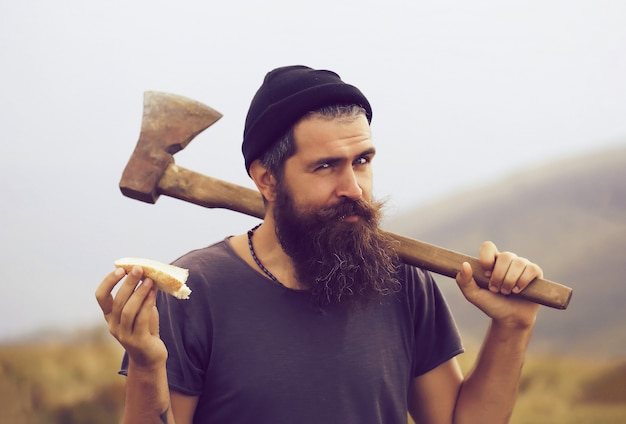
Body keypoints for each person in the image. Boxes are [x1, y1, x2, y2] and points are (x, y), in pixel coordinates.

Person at [96, 65, 542, 424]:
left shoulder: (400, 279)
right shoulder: (194, 294)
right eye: (326, 166)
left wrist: (512, 327)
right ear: (267, 179)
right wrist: (148, 366)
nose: (354, 188)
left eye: (362, 161)